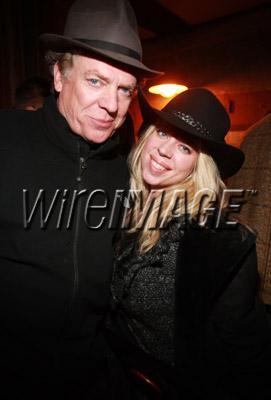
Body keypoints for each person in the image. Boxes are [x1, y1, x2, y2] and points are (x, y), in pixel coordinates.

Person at [0, 0, 160, 399]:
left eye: (125, 89)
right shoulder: (6, 137)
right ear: (58, 75)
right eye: (96, 81)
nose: (112, 105)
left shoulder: (122, 170)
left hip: (85, 375)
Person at [108, 88, 271, 399]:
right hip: (120, 378)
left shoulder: (219, 243)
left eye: (184, 147)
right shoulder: (121, 206)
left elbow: (246, 346)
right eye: (161, 133)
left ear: (200, 166)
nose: (164, 150)